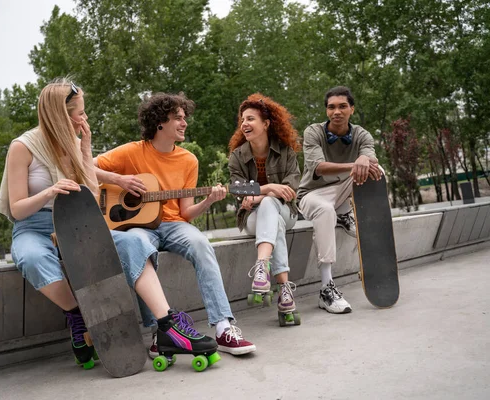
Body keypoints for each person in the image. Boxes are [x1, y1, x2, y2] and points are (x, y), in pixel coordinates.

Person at [0, 79, 217, 370]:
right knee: (32, 258)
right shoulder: (22, 147)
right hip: (34, 226)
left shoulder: (74, 143)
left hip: (78, 223)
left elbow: (89, 188)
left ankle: (167, 326)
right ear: (59, 115)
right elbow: (17, 208)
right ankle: (79, 317)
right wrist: (49, 192)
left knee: (135, 241)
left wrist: (85, 150)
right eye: (80, 113)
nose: (84, 119)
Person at [94, 92, 256, 356]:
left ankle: (224, 327)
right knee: (137, 248)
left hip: (173, 224)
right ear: (159, 122)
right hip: (137, 226)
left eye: (184, 118)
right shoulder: (132, 151)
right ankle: (161, 332)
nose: (184, 123)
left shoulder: (188, 160)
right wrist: (120, 180)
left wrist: (208, 202)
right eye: (178, 118)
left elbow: (186, 212)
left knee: (201, 243)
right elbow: (84, 167)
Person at [297, 86, 382, 314]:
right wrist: (356, 164)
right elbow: (319, 167)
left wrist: (364, 157)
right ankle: (326, 289)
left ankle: (345, 213)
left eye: (342, 106)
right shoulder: (313, 132)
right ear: (326, 111)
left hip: (343, 191)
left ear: (351, 109)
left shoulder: (362, 134)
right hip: (312, 195)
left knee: (378, 170)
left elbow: (371, 162)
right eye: (331, 107)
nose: (337, 111)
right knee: (325, 210)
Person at [227, 93, 301, 319]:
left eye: (250, 119)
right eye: (242, 120)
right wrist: (269, 188)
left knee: (270, 204)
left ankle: (261, 266)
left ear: (266, 123)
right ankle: (285, 290)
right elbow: (236, 188)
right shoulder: (237, 156)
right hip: (251, 219)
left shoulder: (286, 152)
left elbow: (288, 190)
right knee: (272, 214)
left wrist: (259, 195)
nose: (244, 124)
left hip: (285, 211)